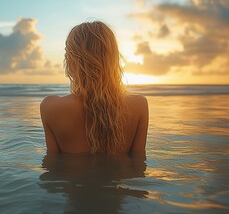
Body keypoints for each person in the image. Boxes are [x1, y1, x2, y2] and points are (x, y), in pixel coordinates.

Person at [40, 21, 148, 154]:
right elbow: (139, 164)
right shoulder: (139, 105)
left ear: (71, 60)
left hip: (72, 174)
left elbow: (52, 163)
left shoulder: (50, 107)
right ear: (113, 59)